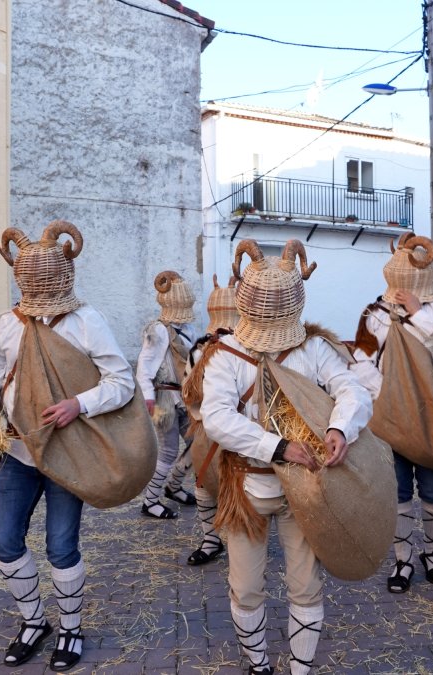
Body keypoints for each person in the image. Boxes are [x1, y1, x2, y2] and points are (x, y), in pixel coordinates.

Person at [0, 222, 135, 670]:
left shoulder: (87, 321)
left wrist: (78, 404)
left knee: (61, 546)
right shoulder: (8, 324)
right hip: (17, 451)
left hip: (68, 453)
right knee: (4, 542)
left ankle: (71, 629)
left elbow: (122, 382)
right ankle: (34, 621)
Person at [201, 240, 372, 675]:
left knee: (306, 586)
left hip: (306, 488)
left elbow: (352, 388)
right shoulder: (224, 355)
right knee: (245, 587)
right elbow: (216, 418)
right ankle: (258, 664)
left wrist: (339, 427)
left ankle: (300, 668)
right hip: (247, 486)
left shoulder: (313, 349)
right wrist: (277, 447)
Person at [350, 233, 433, 594]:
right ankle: (403, 558)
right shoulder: (373, 313)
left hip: (432, 416)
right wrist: (387, 397)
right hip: (389, 417)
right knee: (397, 491)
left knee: (432, 488)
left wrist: (416, 312)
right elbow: (361, 360)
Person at [182, 274, 240, 566]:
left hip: (244, 430)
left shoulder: (247, 347)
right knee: (203, 483)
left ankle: (247, 540)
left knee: (245, 486)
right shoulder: (199, 349)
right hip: (207, 430)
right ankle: (211, 541)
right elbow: (189, 389)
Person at [134, 271, 198, 519]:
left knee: (197, 443)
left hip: (186, 398)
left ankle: (174, 486)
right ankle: (150, 502)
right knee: (169, 451)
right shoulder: (158, 331)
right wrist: (148, 400)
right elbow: (145, 366)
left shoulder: (190, 328)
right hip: (164, 400)